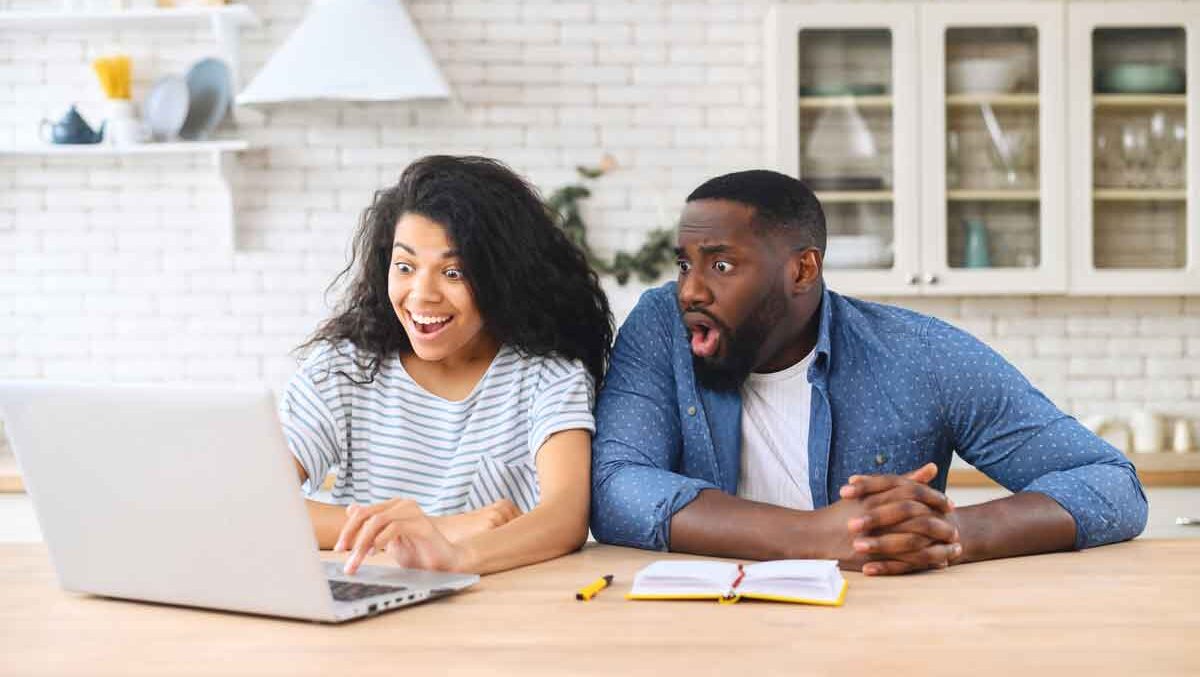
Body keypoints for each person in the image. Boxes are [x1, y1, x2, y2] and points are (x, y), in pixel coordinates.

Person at [590, 169, 1147, 575]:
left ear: (802, 269)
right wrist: (810, 536)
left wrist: (950, 534)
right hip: (702, 635)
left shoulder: (922, 354)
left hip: (878, 635)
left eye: (722, 264)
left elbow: (1111, 483)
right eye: (685, 263)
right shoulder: (662, 327)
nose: (690, 288)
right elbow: (615, 489)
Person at [281, 155, 612, 575]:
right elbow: (258, 500)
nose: (421, 295)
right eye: (405, 267)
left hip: (496, 610)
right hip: (365, 601)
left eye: (453, 273)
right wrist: (442, 529)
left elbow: (565, 516)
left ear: (502, 278)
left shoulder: (547, 377)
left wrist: (456, 556)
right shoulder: (342, 369)